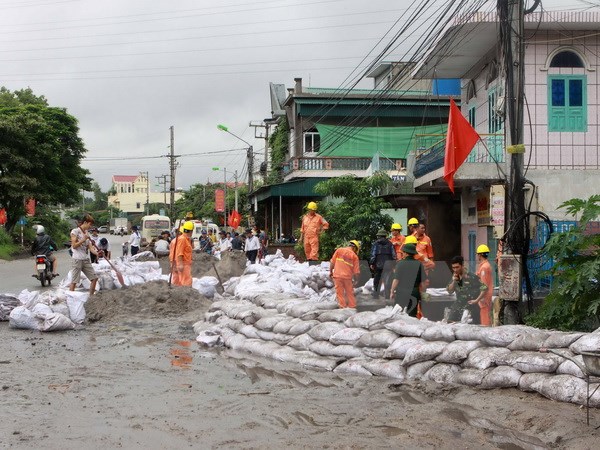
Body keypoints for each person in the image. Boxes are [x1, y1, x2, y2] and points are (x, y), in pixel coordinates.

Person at [446, 255, 487, 324]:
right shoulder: (455, 277)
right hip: (458, 307)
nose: (455, 270)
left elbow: (484, 288)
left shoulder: (472, 277)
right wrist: (454, 281)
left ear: (462, 265)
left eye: (457, 267)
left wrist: (477, 300)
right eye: (453, 268)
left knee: (474, 329)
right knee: (450, 324)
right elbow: (449, 291)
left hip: (471, 307)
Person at [389, 242, 426, 317]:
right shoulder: (419, 264)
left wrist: (392, 291)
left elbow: (396, 280)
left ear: (406, 253)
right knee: (412, 316)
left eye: (403, 252)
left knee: (397, 314)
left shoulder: (400, 264)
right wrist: (423, 292)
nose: (402, 254)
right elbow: (423, 282)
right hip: (414, 293)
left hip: (402, 293)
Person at [69, 213, 99, 295]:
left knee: (94, 279)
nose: (90, 226)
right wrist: (83, 239)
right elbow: (74, 246)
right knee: (74, 281)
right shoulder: (75, 232)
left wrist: (97, 253)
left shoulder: (87, 233)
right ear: (85, 222)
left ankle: (91, 298)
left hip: (85, 260)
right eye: (90, 224)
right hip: (77, 259)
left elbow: (90, 248)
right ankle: (70, 297)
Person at [329, 240, 361, 309]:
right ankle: (352, 307)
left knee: (340, 294)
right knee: (350, 293)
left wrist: (330, 271)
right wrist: (356, 280)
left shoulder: (339, 250)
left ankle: (342, 308)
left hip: (337, 276)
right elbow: (356, 272)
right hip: (347, 278)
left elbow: (332, 262)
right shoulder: (354, 256)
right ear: (355, 248)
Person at [369, 229, 395, 299]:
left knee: (377, 280)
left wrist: (372, 263)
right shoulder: (390, 244)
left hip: (378, 265)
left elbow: (373, 255)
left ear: (379, 236)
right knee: (387, 281)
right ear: (385, 236)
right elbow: (394, 255)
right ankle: (387, 296)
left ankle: (376, 295)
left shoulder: (375, 244)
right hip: (388, 266)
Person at [170, 221, 193, 286]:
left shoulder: (184, 239)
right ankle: (186, 295)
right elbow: (179, 252)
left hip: (179, 263)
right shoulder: (182, 239)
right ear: (191, 231)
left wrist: (173, 264)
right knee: (186, 282)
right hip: (184, 264)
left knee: (177, 283)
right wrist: (180, 264)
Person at [475, 244, 494, 326]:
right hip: (485, 296)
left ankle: (486, 332)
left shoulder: (484, 268)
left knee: (485, 318)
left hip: (484, 297)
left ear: (479, 255)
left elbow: (484, 286)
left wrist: (478, 299)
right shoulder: (485, 266)